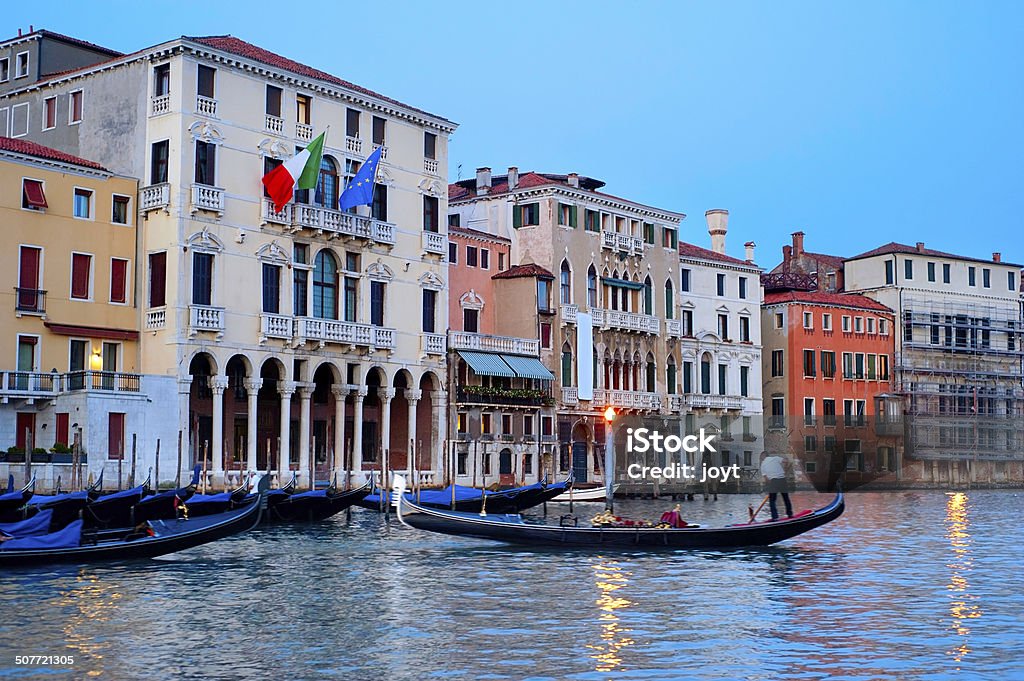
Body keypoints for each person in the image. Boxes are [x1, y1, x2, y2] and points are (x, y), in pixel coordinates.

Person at [760, 451, 793, 520]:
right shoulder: (776, 458)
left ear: (763, 457)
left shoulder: (762, 465)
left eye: (761, 457)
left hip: (773, 481)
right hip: (782, 480)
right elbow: (786, 461)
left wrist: (771, 485)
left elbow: (766, 479)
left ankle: (775, 517)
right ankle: (790, 514)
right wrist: (785, 469)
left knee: (772, 500)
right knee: (786, 498)